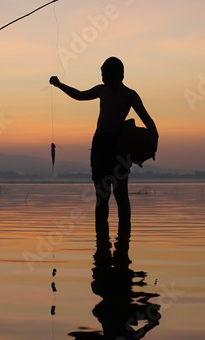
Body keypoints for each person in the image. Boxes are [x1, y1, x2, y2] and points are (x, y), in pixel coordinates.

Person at [49, 57, 157, 230]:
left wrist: (152, 143)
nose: (103, 79)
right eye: (102, 76)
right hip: (100, 145)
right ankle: (101, 243)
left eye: (106, 76)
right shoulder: (102, 90)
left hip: (120, 147)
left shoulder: (130, 95)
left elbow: (150, 124)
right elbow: (79, 95)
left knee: (121, 194)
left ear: (119, 76)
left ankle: (123, 242)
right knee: (102, 195)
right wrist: (59, 85)